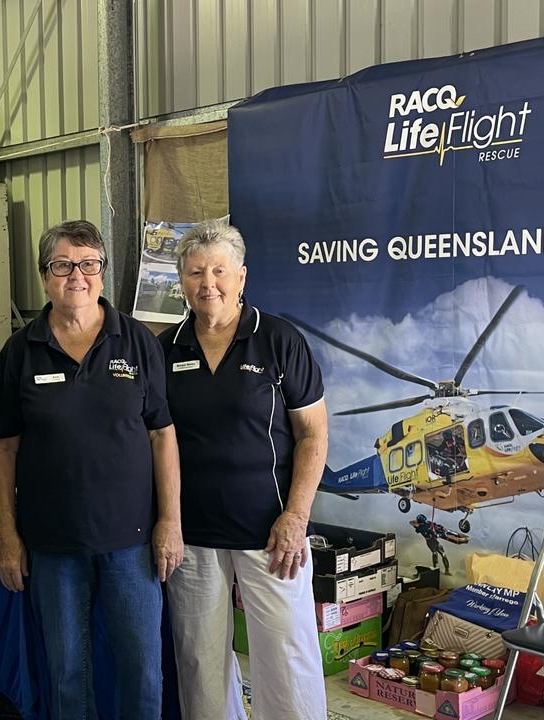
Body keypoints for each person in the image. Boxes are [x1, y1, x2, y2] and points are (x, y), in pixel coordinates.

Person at [0, 220, 183, 720]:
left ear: (102, 272)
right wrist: (7, 536)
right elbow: (3, 449)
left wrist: (170, 522)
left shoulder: (137, 342)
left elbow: (163, 436)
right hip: (52, 547)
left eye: (89, 264)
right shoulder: (19, 351)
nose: (78, 276)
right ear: (45, 277)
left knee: (142, 670)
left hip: (132, 543)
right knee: (66, 674)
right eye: (63, 265)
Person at [158, 220, 329, 720]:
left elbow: (313, 436)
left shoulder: (278, 340)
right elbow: (154, 440)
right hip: (192, 535)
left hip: (272, 533)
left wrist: (296, 516)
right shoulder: (165, 350)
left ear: (242, 277)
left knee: (286, 656)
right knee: (199, 661)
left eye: (219, 270)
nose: (207, 283)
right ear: (182, 282)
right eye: (194, 272)